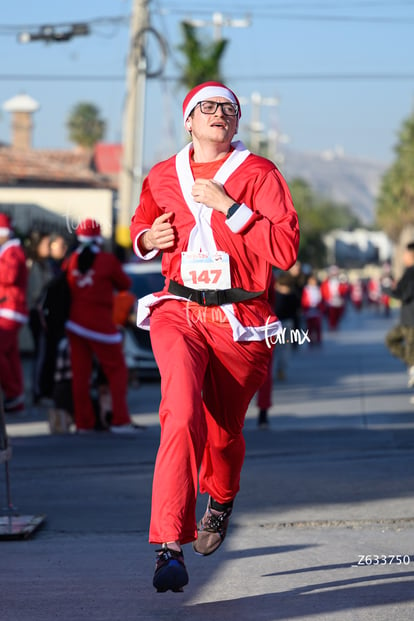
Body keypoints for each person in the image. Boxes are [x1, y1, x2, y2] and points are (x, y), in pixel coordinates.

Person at [129, 81, 299, 592]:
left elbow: (286, 250)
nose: (219, 113)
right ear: (188, 119)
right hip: (178, 309)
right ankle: (167, 546)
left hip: (240, 320)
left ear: (237, 123)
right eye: (208, 106)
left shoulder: (259, 174)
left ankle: (220, 499)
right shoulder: (162, 175)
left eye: (229, 108)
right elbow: (141, 225)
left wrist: (231, 207)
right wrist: (146, 240)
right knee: (179, 412)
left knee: (223, 433)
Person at [64, 218, 139, 434]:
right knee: (117, 370)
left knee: (80, 374)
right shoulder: (106, 260)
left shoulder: (72, 260)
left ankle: (84, 423)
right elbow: (125, 284)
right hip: (100, 324)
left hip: (75, 322)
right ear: (98, 238)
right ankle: (120, 420)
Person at [0, 213, 29, 413]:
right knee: (10, 355)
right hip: (10, 308)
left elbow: (8, 276)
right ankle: (16, 397)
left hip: (10, 309)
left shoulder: (12, 251)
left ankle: (12, 393)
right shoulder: (10, 250)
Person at [384, 242, 414, 389]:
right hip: (406, 321)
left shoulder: (411, 273)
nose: (403, 257)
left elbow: (405, 294)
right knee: (391, 340)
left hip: (411, 322)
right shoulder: (409, 271)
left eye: (405, 254)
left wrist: (387, 289)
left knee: (410, 353)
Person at [301, 273, 324, 345]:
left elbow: (321, 299)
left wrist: (320, 307)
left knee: (317, 326)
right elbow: (304, 300)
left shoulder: (318, 288)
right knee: (309, 327)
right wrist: (305, 307)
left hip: (317, 310)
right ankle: (310, 339)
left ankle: (318, 339)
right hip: (309, 310)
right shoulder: (306, 289)